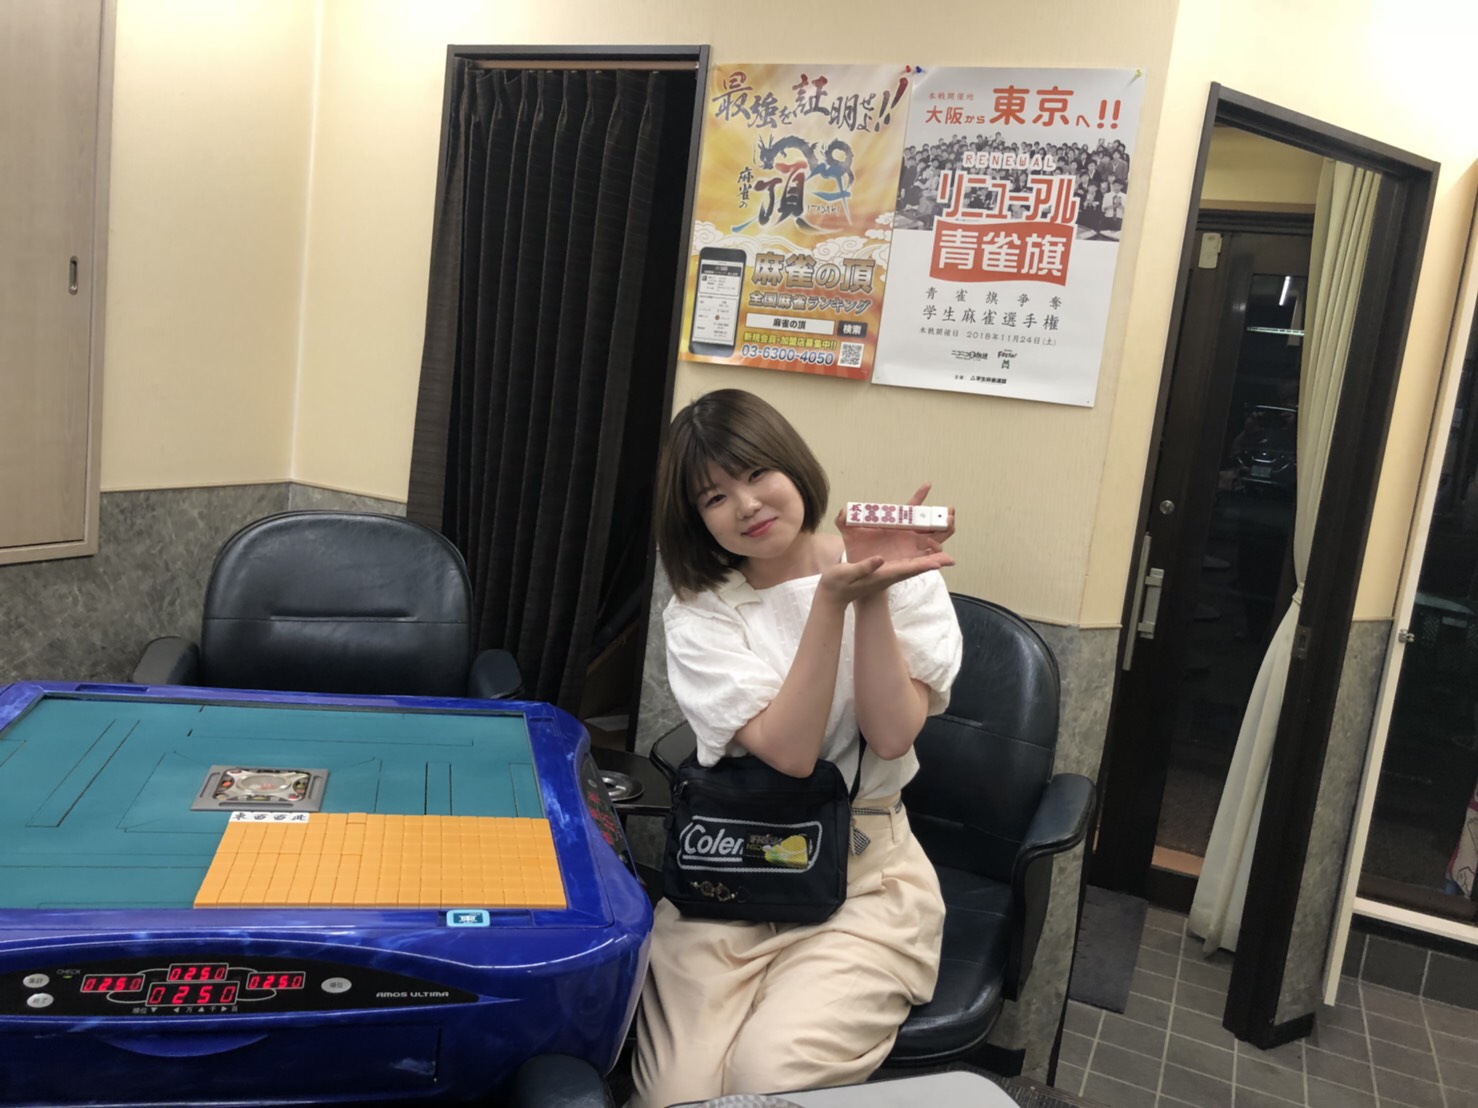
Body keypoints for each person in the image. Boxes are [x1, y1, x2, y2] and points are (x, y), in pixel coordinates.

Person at [630, 389, 964, 1107]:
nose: (747, 504)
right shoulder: (701, 613)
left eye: (758, 473)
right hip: (733, 877)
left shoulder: (896, 570)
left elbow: (892, 734)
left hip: (866, 881)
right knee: (674, 1096)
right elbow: (791, 753)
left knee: (767, 1079)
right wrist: (829, 602)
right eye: (715, 496)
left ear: (793, 465)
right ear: (696, 519)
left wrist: (869, 592)